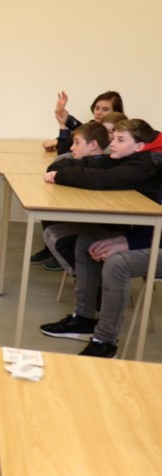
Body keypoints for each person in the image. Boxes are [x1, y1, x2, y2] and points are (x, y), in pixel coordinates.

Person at [40, 119, 162, 353]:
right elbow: (85, 165)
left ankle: (105, 341)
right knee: (88, 241)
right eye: (113, 138)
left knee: (118, 263)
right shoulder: (128, 159)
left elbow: (100, 180)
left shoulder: (147, 166)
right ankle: (84, 318)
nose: (111, 144)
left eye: (119, 140)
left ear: (139, 147)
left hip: (153, 241)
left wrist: (127, 243)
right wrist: (60, 171)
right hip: (148, 234)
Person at [39, 121, 112, 272]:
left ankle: (85, 275)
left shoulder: (111, 166)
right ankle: (82, 274)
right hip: (84, 223)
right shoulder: (70, 161)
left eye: (77, 143)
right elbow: (54, 168)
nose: (72, 148)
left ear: (92, 145)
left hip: (104, 225)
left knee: (58, 232)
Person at [41, 90, 124, 154]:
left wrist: (58, 142)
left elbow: (65, 152)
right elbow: (80, 130)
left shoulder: (120, 133)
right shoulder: (93, 125)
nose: (98, 112)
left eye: (105, 109)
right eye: (97, 108)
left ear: (116, 112)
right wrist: (63, 117)